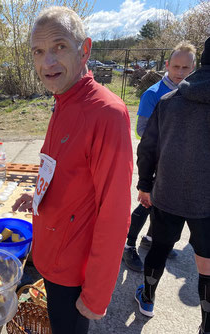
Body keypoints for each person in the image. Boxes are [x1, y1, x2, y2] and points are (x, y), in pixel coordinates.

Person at [12, 6, 133, 333]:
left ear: (85, 50)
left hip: (73, 275)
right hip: (49, 255)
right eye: (39, 51)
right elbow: (61, 168)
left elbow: (115, 212)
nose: (47, 62)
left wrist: (94, 296)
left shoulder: (107, 113)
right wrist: (36, 195)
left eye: (59, 47)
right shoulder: (63, 98)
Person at [134, 37, 210, 334]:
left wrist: (144, 183)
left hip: (167, 193)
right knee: (206, 260)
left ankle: (148, 299)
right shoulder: (161, 98)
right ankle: (206, 323)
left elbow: (147, 149)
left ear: (199, 64)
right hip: (206, 201)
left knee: (160, 247)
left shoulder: (169, 102)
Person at [122, 41, 196, 272]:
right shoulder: (152, 94)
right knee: (147, 203)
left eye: (185, 68)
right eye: (176, 66)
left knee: (164, 206)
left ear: (194, 67)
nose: (179, 73)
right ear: (167, 64)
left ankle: (151, 239)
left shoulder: (193, 93)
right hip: (156, 161)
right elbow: (141, 130)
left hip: (181, 164)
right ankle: (128, 245)